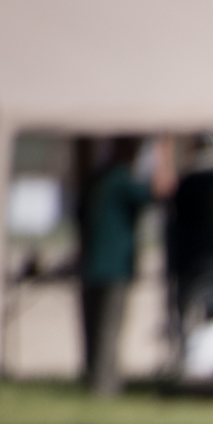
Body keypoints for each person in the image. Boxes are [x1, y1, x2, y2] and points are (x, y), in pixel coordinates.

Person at [78, 137, 174, 396]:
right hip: (114, 266)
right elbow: (160, 191)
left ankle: (95, 379)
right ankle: (104, 387)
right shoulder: (120, 179)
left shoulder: (98, 178)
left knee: (95, 329)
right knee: (109, 328)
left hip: (92, 264)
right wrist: (163, 155)